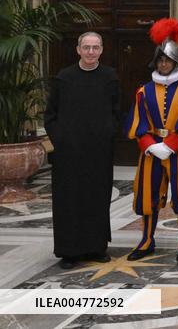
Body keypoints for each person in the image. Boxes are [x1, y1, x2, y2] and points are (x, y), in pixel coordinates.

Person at [124, 18, 178, 262]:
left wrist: (172, 145)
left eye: (167, 60)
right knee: (148, 196)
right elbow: (138, 124)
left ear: (175, 62)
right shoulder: (144, 91)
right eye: (160, 60)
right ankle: (146, 239)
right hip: (152, 150)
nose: (164, 63)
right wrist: (152, 145)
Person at [45, 31, 119, 270]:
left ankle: (96, 247)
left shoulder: (110, 77)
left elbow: (116, 112)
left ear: (102, 50)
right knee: (69, 201)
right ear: (78, 50)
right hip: (68, 155)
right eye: (86, 47)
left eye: (95, 47)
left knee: (97, 199)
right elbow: (50, 116)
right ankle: (69, 251)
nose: (90, 52)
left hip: (98, 153)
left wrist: (107, 134)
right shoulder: (64, 78)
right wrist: (62, 141)